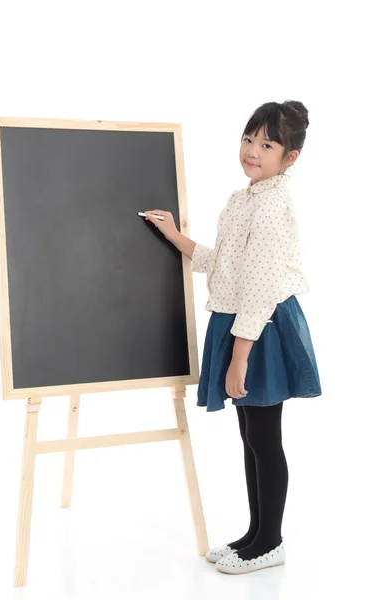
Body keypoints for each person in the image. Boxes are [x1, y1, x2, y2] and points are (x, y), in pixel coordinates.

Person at [144, 100, 322, 575]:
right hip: (242, 320)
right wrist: (176, 236)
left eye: (267, 144)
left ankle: (271, 541)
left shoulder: (272, 205)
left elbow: (261, 287)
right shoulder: (244, 197)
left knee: (264, 437)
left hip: (260, 327)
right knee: (251, 436)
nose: (252, 151)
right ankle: (255, 534)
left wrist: (239, 357)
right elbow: (224, 265)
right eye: (249, 139)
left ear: (290, 157)